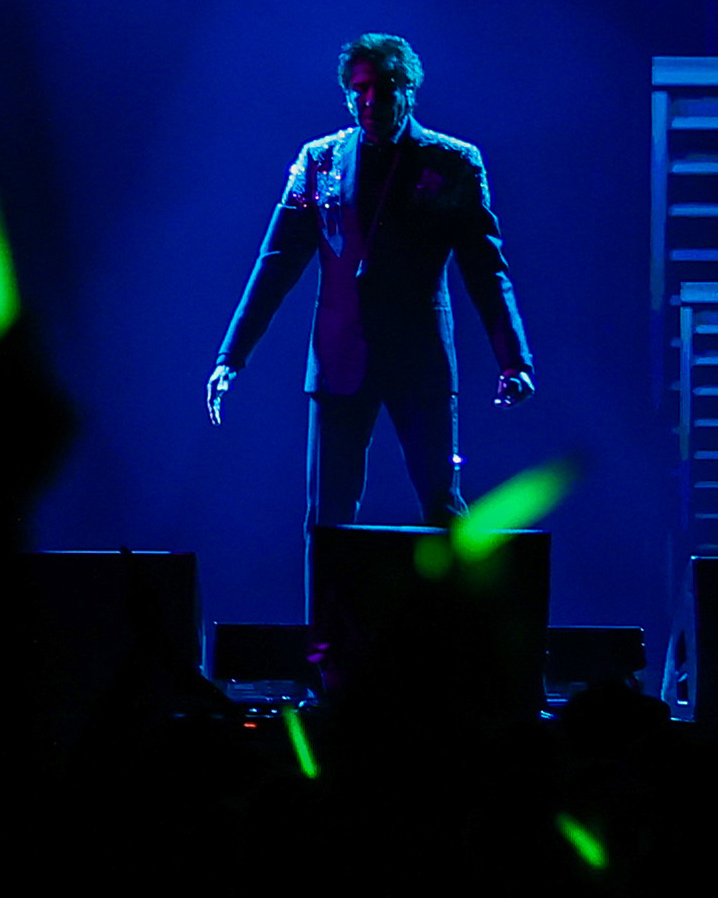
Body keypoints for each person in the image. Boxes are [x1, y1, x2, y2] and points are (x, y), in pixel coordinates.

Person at [208, 33, 535, 534]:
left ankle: (457, 614)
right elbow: (275, 263)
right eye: (359, 90)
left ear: (409, 89)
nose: (371, 101)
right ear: (346, 94)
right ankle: (329, 617)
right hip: (339, 358)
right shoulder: (319, 160)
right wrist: (232, 355)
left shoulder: (453, 161)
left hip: (418, 358)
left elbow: (486, 268)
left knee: (442, 510)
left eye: (383, 88)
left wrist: (513, 359)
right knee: (327, 519)